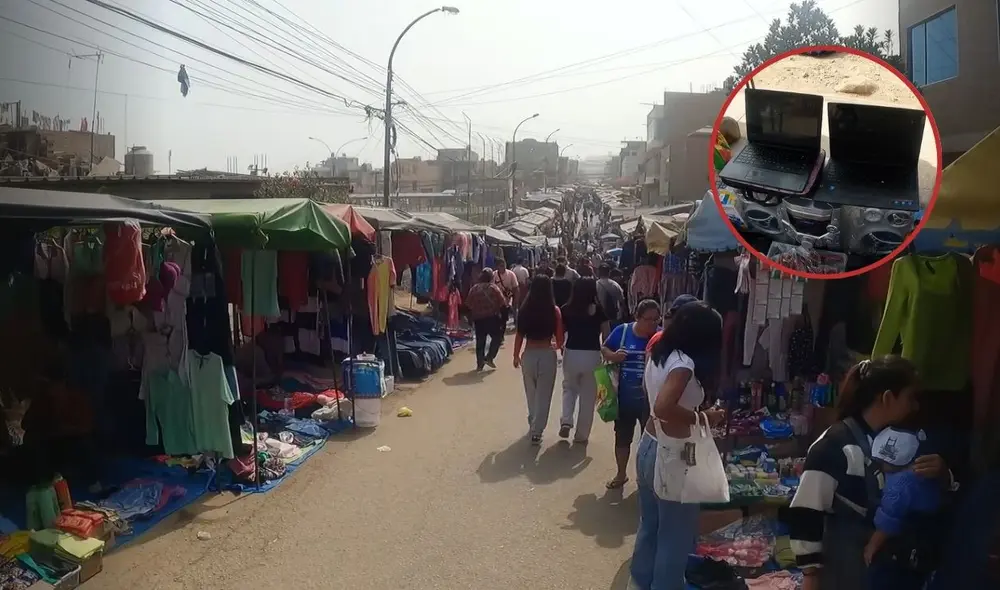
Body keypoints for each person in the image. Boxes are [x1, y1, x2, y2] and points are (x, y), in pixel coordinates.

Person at [788, 356, 954, 590]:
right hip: (844, 572)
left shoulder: (908, 441)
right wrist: (810, 575)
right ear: (887, 397)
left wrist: (943, 475)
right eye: (910, 397)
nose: (915, 406)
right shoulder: (834, 446)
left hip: (891, 572)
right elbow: (807, 511)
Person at [630, 301, 725, 590]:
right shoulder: (684, 365)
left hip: (650, 445)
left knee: (651, 526)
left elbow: (652, 399)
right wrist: (703, 417)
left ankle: (641, 581)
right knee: (676, 537)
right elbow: (663, 406)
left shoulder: (661, 354)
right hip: (673, 455)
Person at [863, 426, 944, 589]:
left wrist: (873, 544)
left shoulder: (900, 482)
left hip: (903, 546)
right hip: (928, 539)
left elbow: (890, 515)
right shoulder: (923, 473)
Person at [601, 298, 661, 490]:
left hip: (650, 402)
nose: (652, 324)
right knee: (622, 438)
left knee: (650, 444)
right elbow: (605, 348)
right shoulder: (623, 331)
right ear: (637, 317)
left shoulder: (661, 337)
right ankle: (621, 474)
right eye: (648, 319)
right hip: (624, 399)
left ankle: (647, 480)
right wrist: (612, 356)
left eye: (655, 319)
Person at [513, 275, 564, 445]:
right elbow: (559, 339)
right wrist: (557, 346)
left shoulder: (524, 309)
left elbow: (519, 335)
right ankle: (537, 430)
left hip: (528, 355)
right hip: (547, 355)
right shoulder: (554, 310)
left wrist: (515, 355)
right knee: (544, 395)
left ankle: (533, 419)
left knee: (531, 393)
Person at [559, 278, 610, 444]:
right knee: (588, 396)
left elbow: (560, 332)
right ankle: (581, 435)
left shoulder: (566, 309)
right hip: (592, 354)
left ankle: (566, 420)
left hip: (572, 352)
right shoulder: (599, 310)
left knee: (569, 388)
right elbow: (606, 335)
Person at [464, 268, 507, 371]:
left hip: (478, 320)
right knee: (497, 338)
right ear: (491, 277)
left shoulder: (474, 289)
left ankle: (480, 364)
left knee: (480, 342)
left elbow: (468, 305)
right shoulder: (494, 288)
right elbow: (503, 304)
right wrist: (503, 319)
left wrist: (470, 319)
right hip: (492, 318)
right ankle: (489, 357)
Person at [493, 259, 518, 341]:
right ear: (497, 266)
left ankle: (501, 335)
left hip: (506, 301)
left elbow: (515, 288)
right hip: (496, 302)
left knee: (504, 319)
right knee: (496, 320)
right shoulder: (494, 275)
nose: (502, 267)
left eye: (504, 265)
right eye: (500, 266)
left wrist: (515, 301)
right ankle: (498, 335)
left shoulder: (511, 274)